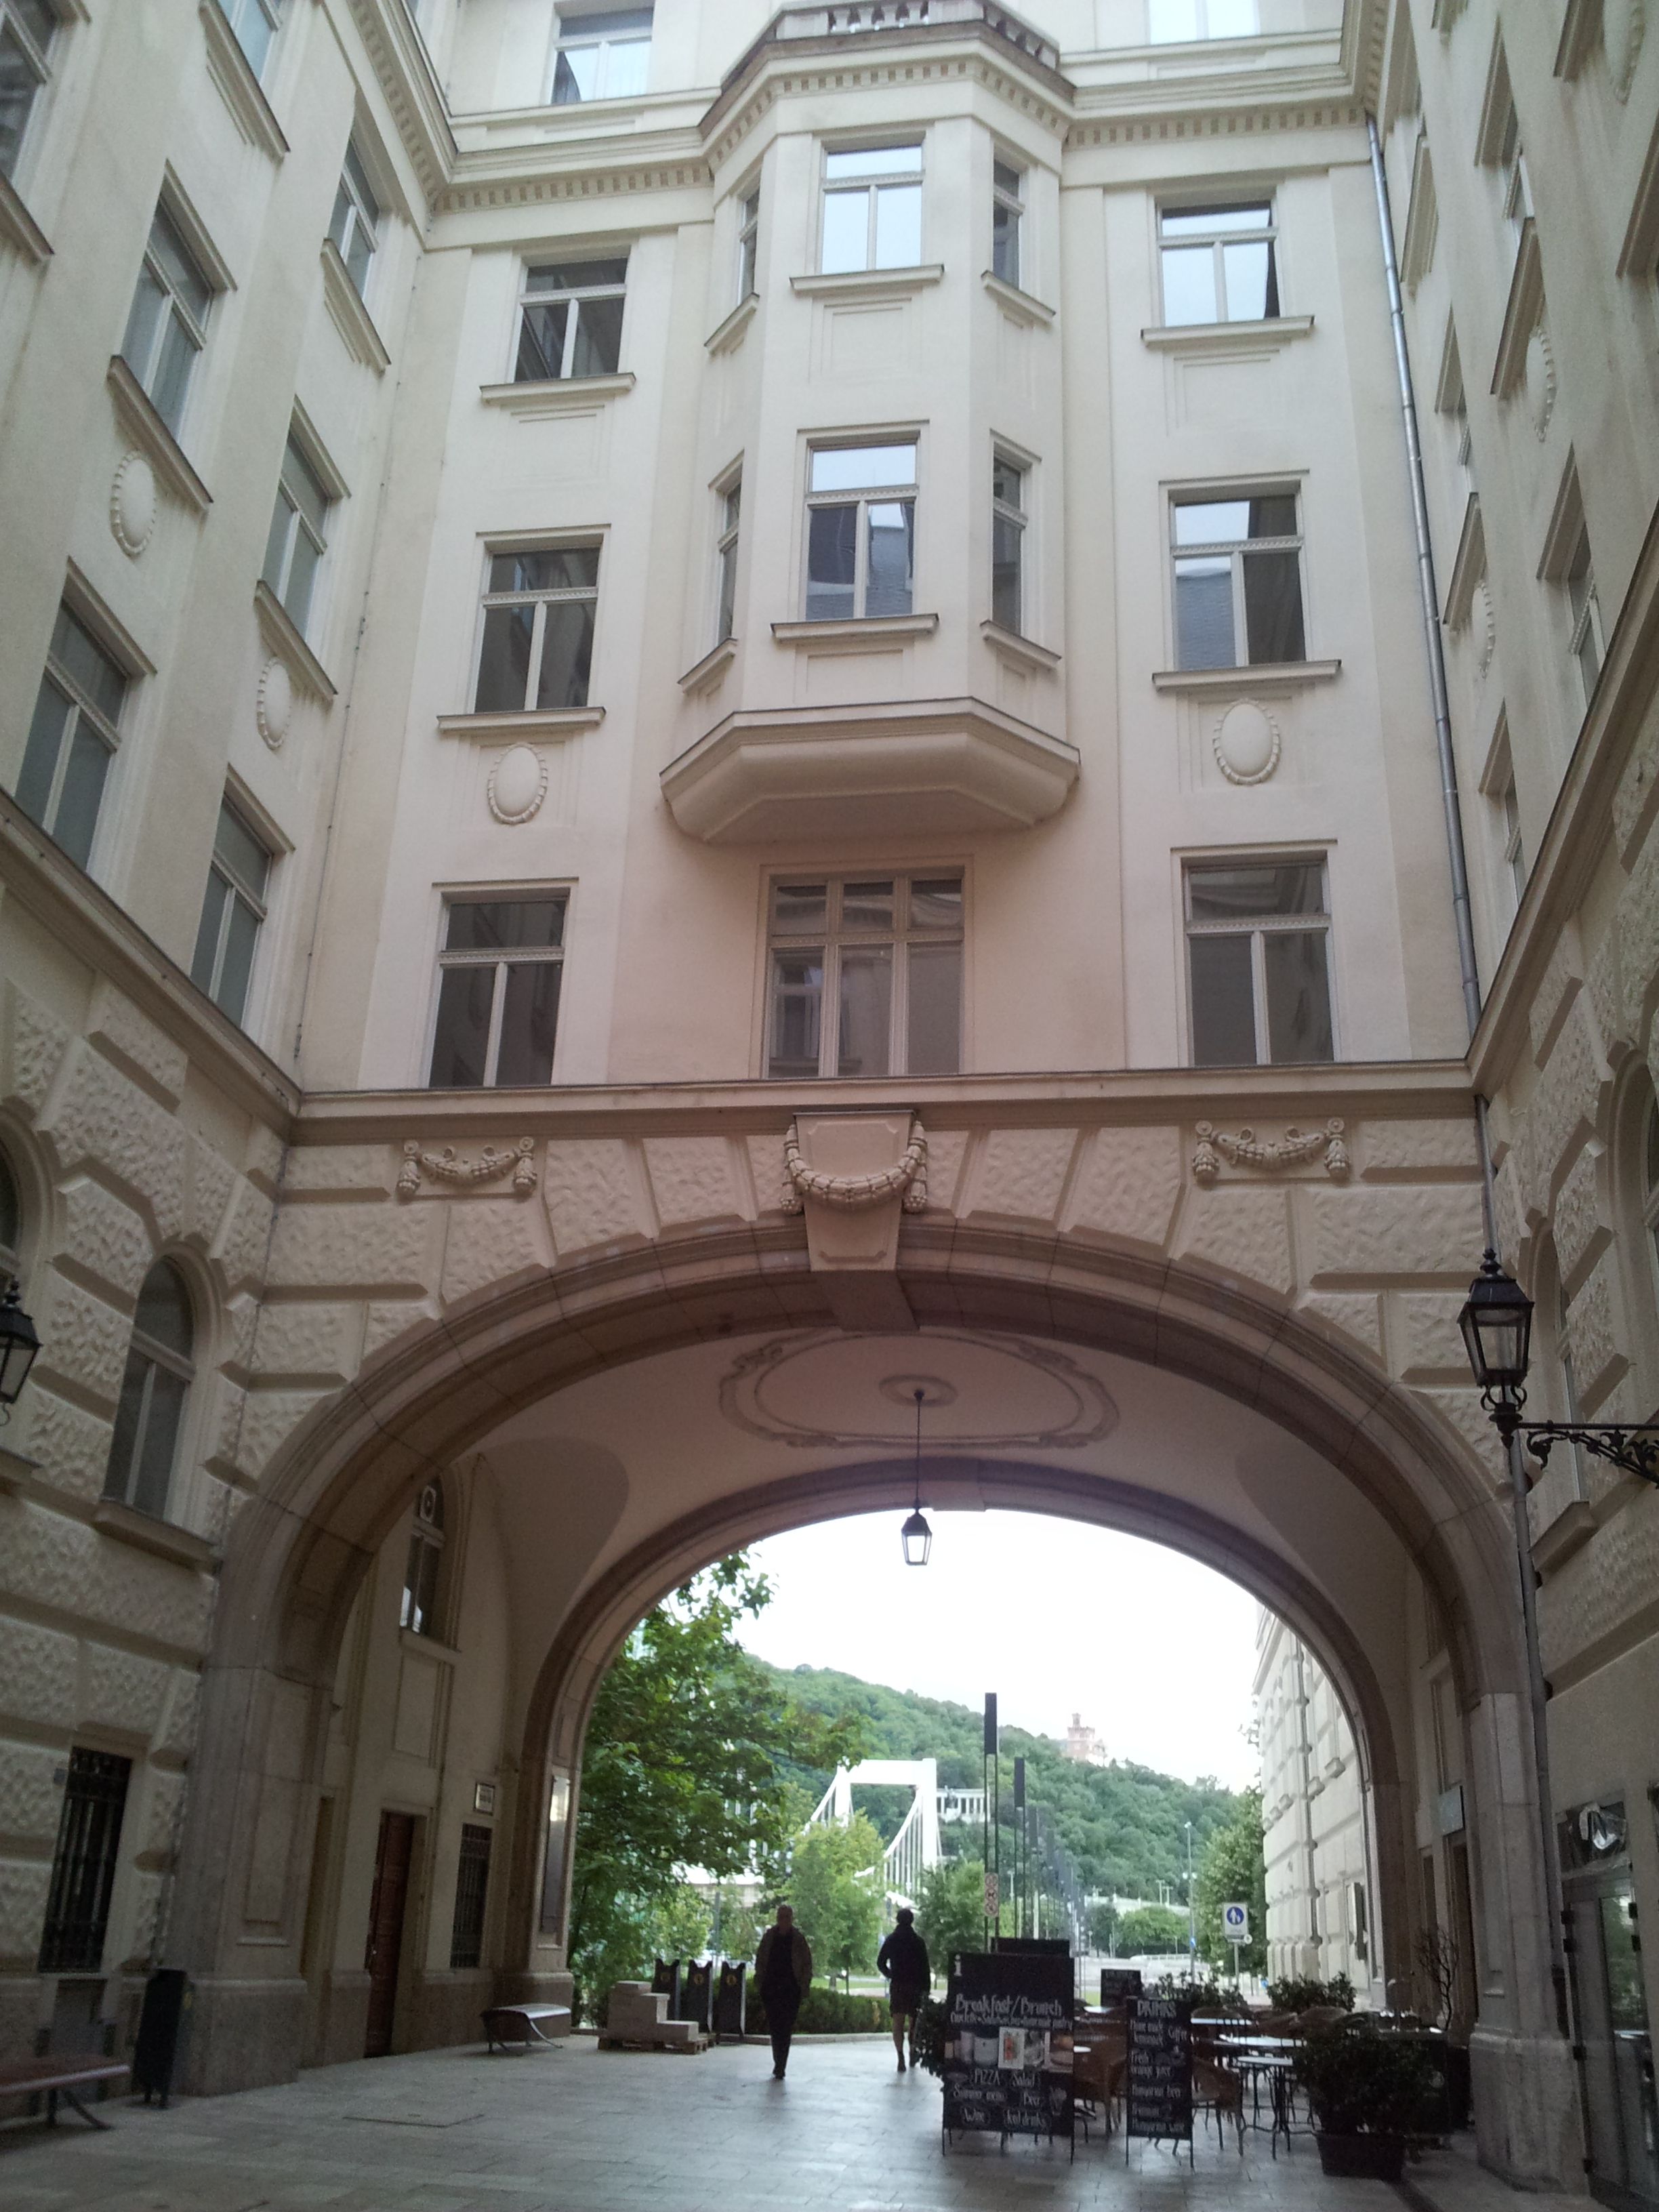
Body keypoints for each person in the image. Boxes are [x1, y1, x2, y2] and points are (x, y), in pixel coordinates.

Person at [755, 1902, 812, 2079]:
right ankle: (777, 2060)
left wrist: (804, 1986)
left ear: (791, 1919)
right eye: (781, 1917)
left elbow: (807, 1965)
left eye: (787, 1917)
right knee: (774, 2026)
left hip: (791, 1990)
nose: (784, 1921)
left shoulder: (798, 1939)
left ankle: (781, 2064)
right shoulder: (769, 1937)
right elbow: (760, 1961)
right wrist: (760, 1983)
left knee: (786, 2028)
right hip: (771, 1989)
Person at [876, 1906, 930, 2072]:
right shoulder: (918, 1942)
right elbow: (925, 1968)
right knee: (914, 2022)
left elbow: (880, 1962)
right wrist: (926, 1990)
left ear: (898, 1920)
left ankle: (900, 2056)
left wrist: (890, 1974)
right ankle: (912, 2050)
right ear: (911, 1921)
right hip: (915, 1986)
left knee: (898, 2022)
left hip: (898, 1985)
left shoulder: (892, 1940)